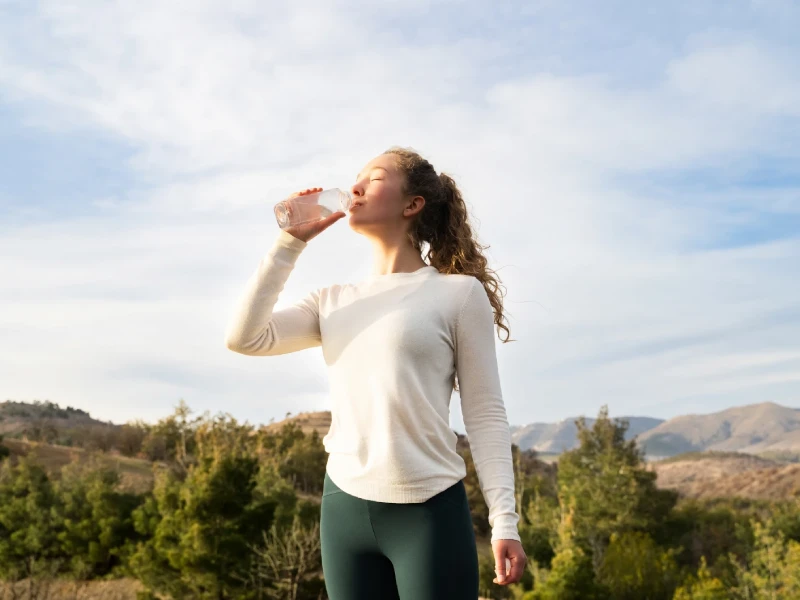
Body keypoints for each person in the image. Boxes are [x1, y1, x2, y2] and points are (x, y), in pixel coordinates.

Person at [225, 147, 526, 599]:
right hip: (344, 507)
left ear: (412, 205)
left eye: (375, 177)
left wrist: (504, 519)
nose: (356, 187)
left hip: (428, 513)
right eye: (357, 177)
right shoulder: (332, 300)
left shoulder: (458, 295)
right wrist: (290, 242)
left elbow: (484, 412)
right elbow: (245, 337)